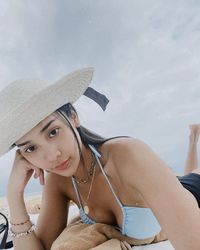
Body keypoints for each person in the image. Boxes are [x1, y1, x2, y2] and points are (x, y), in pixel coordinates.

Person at [0, 67, 200, 250]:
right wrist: (14, 195)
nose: (52, 156)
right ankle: (193, 138)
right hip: (171, 186)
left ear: (73, 116)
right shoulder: (58, 181)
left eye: (53, 132)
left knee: (192, 175)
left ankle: (193, 138)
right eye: (31, 148)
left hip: (193, 190)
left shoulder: (128, 154)